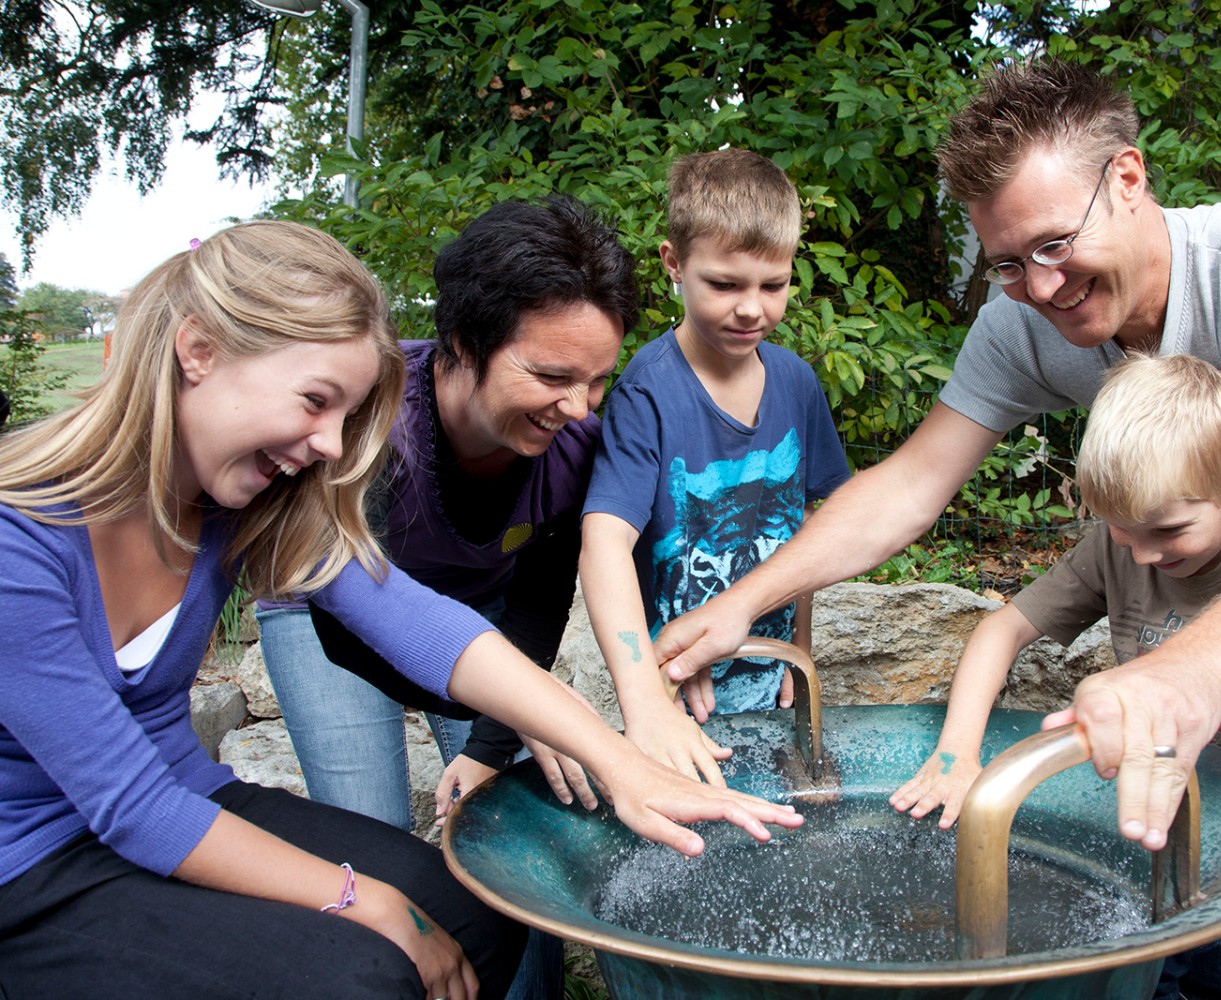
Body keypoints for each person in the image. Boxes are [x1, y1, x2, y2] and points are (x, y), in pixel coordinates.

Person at [650, 58, 1221, 999]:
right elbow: (909, 488)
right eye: (1008, 263)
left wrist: (1185, 668)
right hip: (1218, 529)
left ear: (1129, 179)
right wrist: (747, 603)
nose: (1042, 288)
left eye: (1054, 245)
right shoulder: (1023, 325)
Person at [0, 221, 802, 1000]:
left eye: (343, 417)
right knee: (365, 966)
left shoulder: (229, 503)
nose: (328, 444)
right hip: (34, 865)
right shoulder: (19, 544)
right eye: (315, 403)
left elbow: (420, 623)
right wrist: (366, 900)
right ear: (199, 351)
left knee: (474, 905)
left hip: (184, 795)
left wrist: (623, 762)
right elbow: (128, 805)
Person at [891, 353, 1221, 1000]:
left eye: (1169, 530)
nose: (1145, 555)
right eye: (1122, 530)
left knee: (1170, 923)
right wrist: (956, 751)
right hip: (1150, 820)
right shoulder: (1121, 545)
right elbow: (999, 631)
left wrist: (1209, 824)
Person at [254, 194, 634, 999]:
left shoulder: (576, 447)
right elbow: (363, 633)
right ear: (463, 345)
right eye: (552, 375)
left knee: (519, 815)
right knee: (370, 833)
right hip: (326, 611)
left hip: (481, 607)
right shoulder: (368, 430)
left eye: (599, 379)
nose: (579, 408)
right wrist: (520, 714)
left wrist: (493, 744)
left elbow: (536, 604)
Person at [580, 149, 850, 783]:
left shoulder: (797, 384)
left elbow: (815, 529)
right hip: (680, 692)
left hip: (773, 673)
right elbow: (603, 541)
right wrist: (644, 686)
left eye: (773, 285)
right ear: (674, 263)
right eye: (725, 284)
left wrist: (799, 650)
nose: (751, 308)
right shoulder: (647, 393)